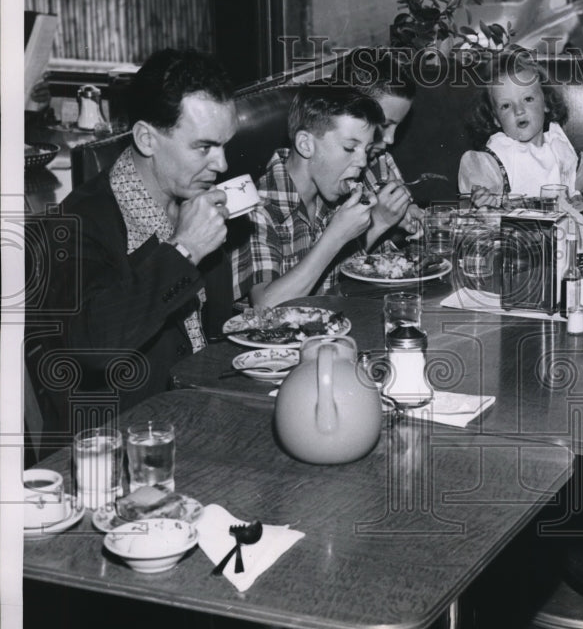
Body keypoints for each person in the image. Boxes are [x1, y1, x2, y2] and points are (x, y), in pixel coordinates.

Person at [47, 48, 238, 413]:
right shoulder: (77, 222)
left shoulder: (192, 199)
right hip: (129, 437)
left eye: (225, 144)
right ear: (146, 139)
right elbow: (93, 347)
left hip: (206, 410)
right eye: (204, 147)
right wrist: (183, 251)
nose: (222, 163)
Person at [232, 84, 386, 308]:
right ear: (305, 145)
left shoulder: (338, 191)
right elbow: (264, 306)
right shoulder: (257, 206)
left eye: (367, 149)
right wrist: (335, 237)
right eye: (350, 148)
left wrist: (380, 223)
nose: (362, 162)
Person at [458, 52, 583, 208]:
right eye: (506, 106)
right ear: (495, 118)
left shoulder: (560, 148)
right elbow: (473, 205)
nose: (518, 111)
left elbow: (574, 198)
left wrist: (576, 201)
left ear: (546, 103)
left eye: (528, 99)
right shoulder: (496, 159)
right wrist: (483, 200)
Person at [337, 48, 424, 240]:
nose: (390, 140)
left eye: (397, 128)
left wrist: (405, 213)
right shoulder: (331, 176)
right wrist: (378, 221)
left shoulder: (380, 162)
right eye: (384, 126)